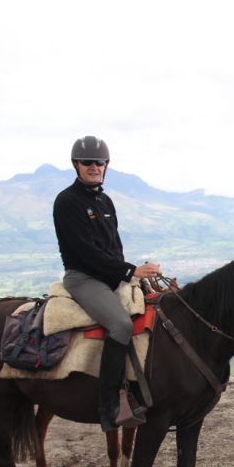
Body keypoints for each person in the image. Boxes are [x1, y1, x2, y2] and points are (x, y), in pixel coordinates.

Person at [52, 135, 161, 431]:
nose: (94, 167)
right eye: (88, 162)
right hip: (84, 278)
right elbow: (87, 253)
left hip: (111, 275)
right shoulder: (67, 202)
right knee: (121, 325)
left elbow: (114, 246)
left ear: (106, 166)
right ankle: (109, 404)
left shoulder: (105, 200)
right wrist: (131, 271)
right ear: (76, 165)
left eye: (100, 162)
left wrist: (131, 276)